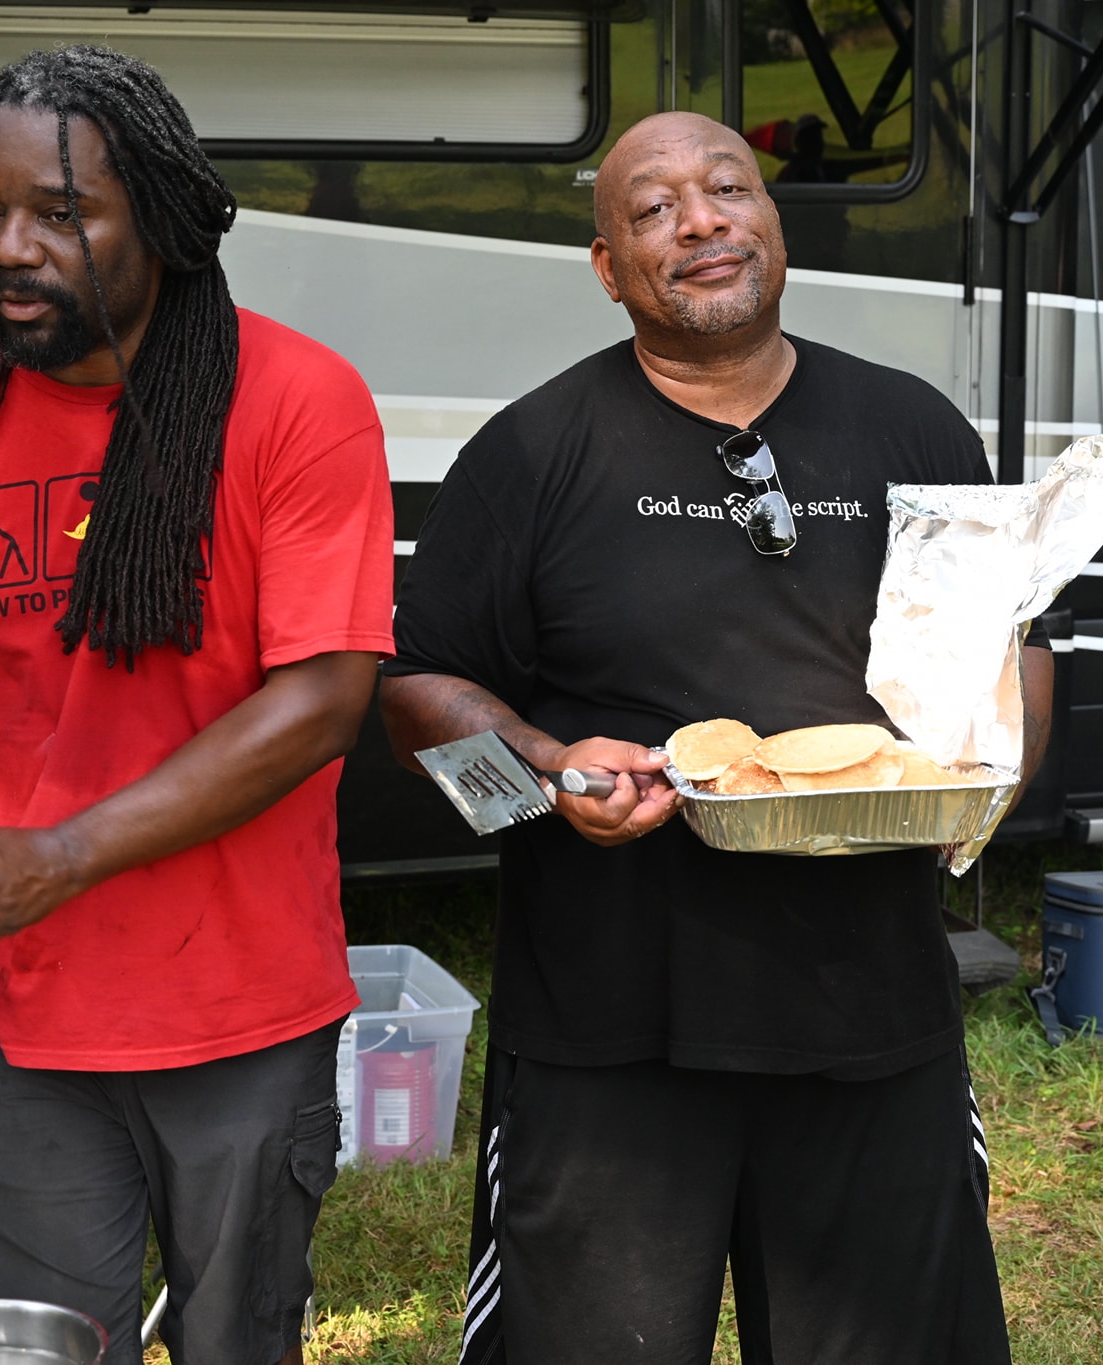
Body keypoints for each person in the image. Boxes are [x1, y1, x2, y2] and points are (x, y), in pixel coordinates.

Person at [381, 110, 1055, 1364]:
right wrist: (538, 775)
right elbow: (416, 690)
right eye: (650, 209)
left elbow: (1011, 654)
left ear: (773, 225)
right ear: (605, 267)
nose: (698, 221)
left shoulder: (913, 432)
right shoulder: (530, 452)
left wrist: (984, 772)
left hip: (872, 1016)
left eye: (727, 190)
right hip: (605, 1033)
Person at [0, 46, 394, 1365]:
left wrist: (69, 854)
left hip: (236, 1007)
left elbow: (323, 698)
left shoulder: (298, 403)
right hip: (3, 1008)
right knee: (28, 1352)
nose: (10, 247)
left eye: (61, 214)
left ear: (163, 218)